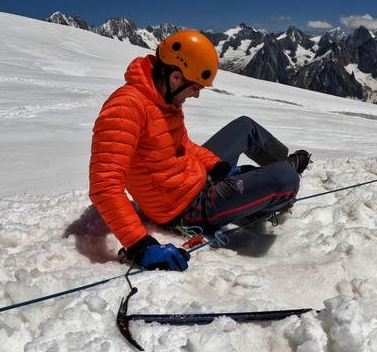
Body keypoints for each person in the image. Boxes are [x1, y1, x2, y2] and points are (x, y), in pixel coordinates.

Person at [88, 30, 310, 272]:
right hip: (186, 209)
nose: (196, 94)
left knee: (245, 127)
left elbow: (184, 145)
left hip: (196, 178)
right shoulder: (126, 108)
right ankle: (270, 196)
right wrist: (139, 245)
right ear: (175, 77)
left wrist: (216, 165)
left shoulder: (164, 98)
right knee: (286, 178)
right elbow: (104, 184)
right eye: (195, 87)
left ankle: (275, 173)